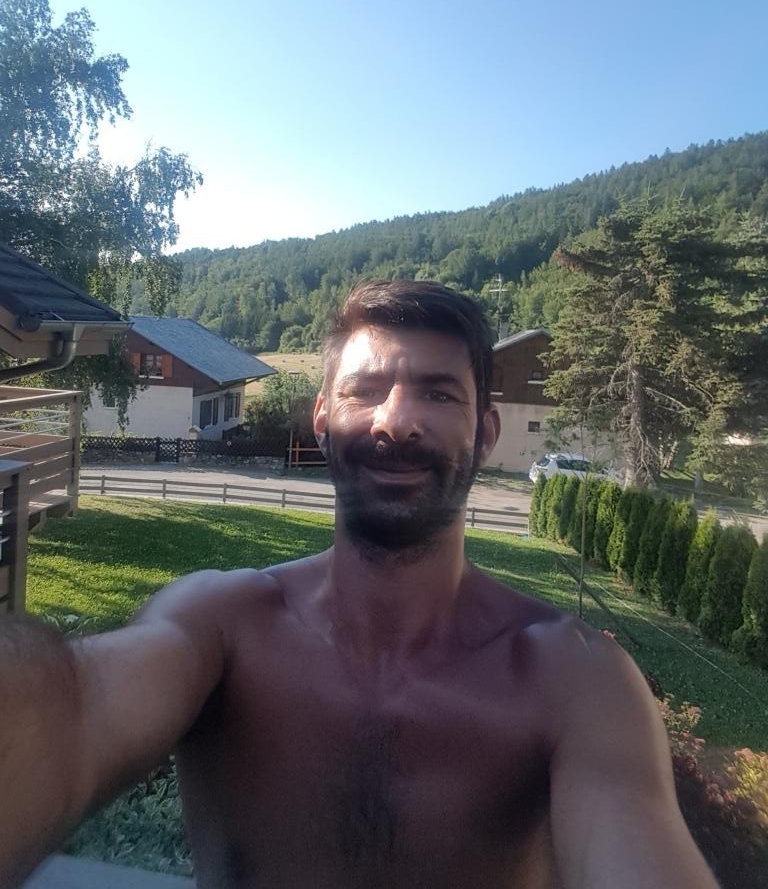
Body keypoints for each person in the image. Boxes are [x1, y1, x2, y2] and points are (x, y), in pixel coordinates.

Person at [1, 280, 717, 889]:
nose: (396, 421)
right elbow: (76, 710)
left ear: (486, 433)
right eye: (364, 391)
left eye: (438, 393)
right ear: (322, 420)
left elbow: (636, 842)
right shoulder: (220, 627)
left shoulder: (575, 681)